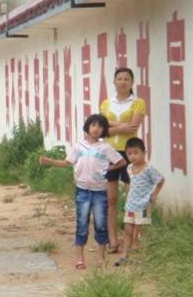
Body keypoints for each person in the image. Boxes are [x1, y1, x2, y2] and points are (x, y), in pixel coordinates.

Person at [39, 114, 126, 269]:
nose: (96, 129)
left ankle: (101, 256)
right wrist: (50, 161)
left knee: (101, 224)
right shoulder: (79, 146)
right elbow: (67, 162)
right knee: (82, 224)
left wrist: (108, 169)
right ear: (87, 127)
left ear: (104, 130)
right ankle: (79, 257)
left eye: (100, 126)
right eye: (93, 125)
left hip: (100, 192)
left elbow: (121, 162)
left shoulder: (105, 148)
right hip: (82, 191)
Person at [100, 68, 147, 253]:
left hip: (130, 154)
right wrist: (122, 127)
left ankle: (134, 239)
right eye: (119, 78)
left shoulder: (138, 102)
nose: (122, 82)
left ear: (132, 82)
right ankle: (113, 239)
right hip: (110, 154)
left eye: (126, 79)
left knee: (133, 198)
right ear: (114, 82)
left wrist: (111, 126)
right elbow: (102, 131)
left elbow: (133, 128)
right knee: (111, 199)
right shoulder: (106, 103)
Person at [115, 137, 164, 267]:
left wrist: (154, 194)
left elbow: (160, 180)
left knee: (142, 231)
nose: (133, 156)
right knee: (128, 231)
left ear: (144, 153)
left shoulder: (149, 169)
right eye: (129, 153)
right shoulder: (129, 168)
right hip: (130, 205)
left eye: (136, 153)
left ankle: (145, 256)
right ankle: (124, 255)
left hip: (143, 205)